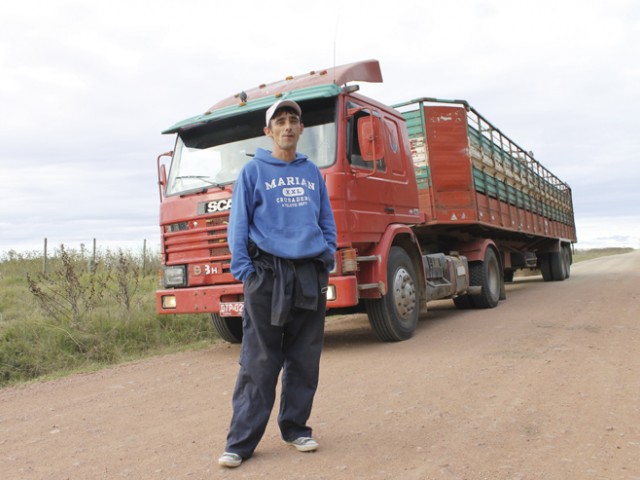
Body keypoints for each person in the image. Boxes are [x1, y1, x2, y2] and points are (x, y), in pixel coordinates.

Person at [218, 99, 337, 468]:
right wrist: (246, 273)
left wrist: (326, 256)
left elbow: (326, 220)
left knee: (304, 356)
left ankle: (295, 428)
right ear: (268, 132)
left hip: (307, 273)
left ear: (302, 129)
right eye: (280, 122)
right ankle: (240, 443)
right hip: (267, 275)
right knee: (260, 359)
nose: (288, 127)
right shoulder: (253, 172)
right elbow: (237, 226)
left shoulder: (312, 173)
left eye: (293, 121)